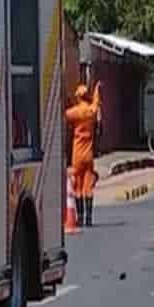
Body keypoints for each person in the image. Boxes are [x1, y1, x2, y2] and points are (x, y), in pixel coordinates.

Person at [66, 81, 101, 227]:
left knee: (78, 186)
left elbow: (65, 114)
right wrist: (97, 90)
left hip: (77, 154)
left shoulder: (75, 112)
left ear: (78, 97)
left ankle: (79, 218)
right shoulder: (91, 112)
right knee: (88, 187)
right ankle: (89, 218)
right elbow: (96, 103)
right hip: (89, 153)